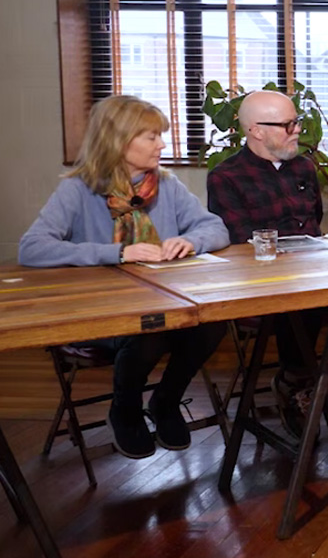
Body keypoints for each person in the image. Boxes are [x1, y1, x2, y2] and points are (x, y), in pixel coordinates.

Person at [19, 95, 230, 459]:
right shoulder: (78, 188)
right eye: (151, 136)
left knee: (212, 325)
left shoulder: (167, 184)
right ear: (118, 140)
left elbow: (216, 228)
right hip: (101, 313)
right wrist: (116, 253)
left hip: (161, 302)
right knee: (149, 332)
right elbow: (32, 248)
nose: (162, 144)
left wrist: (190, 240)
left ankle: (165, 402)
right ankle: (125, 411)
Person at [206, 89, 326, 438]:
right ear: (255, 130)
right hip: (261, 280)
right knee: (301, 301)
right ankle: (296, 381)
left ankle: (324, 377)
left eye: (296, 122)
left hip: (310, 272)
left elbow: (314, 223)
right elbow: (242, 240)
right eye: (287, 125)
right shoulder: (226, 177)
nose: (297, 130)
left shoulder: (304, 167)